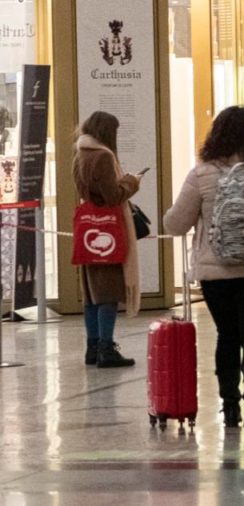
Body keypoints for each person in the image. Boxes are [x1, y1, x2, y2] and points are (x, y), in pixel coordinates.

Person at [163, 106, 244, 437]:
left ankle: (230, 408)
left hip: (218, 271)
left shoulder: (202, 174)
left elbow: (176, 224)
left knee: (228, 335)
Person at [72, 111, 142, 368]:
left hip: (88, 228)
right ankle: (106, 348)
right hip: (107, 230)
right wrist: (132, 182)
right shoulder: (103, 156)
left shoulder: (80, 154)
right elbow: (112, 196)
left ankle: (92, 346)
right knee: (108, 291)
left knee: (91, 292)